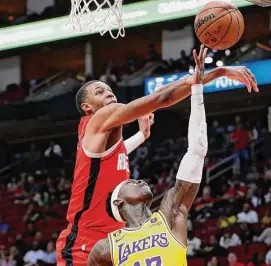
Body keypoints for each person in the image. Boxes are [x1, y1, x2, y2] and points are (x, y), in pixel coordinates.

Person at [57, 44, 258, 266]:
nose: (108, 93)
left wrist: (142, 136)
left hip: (115, 241)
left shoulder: (104, 143)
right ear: (87, 107)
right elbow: (161, 98)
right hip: (84, 242)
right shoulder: (95, 120)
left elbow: (120, 152)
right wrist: (216, 74)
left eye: (108, 89)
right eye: (99, 92)